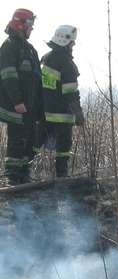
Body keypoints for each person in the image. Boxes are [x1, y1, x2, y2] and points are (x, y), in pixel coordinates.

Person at [0, 9, 42, 185]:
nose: (32, 29)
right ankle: (12, 179)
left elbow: (37, 80)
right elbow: (8, 76)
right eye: (30, 25)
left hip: (30, 106)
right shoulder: (9, 46)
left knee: (30, 140)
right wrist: (17, 101)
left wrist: (40, 107)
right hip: (15, 106)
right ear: (20, 24)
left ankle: (24, 177)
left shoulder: (30, 50)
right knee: (17, 141)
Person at [40, 25, 84, 178]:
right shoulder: (67, 64)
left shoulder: (45, 58)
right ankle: (61, 177)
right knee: (63, 147)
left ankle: (21, 176)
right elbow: (70, 92)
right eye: (72, 42)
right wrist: (78, 113)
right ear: (66, 42)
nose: (73, 45)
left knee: (35, 144)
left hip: (43, 112)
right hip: (62, 115)